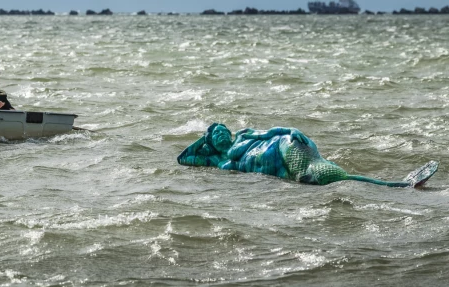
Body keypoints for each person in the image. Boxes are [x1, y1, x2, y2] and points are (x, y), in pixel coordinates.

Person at [178, 123, 437, 187]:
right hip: (278, 170)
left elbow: (271, 132)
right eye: (216, 135)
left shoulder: (244, 135)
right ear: (211, 143)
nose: (222, 134)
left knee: (326, 173)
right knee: (323, 177)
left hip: (283, 148)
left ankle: (397, 184)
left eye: (224, 130)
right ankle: (398, 185)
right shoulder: (216, 160)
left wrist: (292, 130)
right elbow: (184, 158)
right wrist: (203, 136)